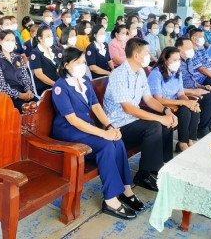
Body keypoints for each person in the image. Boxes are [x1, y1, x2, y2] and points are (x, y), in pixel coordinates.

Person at [52, 47, 145, 220]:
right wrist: (103, 134)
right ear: (66, 65)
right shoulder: (60, 87)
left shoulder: (85, 81)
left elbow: (95, 106)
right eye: (78, 63)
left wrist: (109, 126)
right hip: (68, 133)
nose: (82, 66)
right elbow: (72, 120)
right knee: (106, 144)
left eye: (84, 62)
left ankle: (125, 189)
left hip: (86, 128)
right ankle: (110, 200)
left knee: (117, 140)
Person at [104, 38, 177, 191]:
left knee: (166, 123)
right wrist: (159, 118)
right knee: (154, 127)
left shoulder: (140, 73)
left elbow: (148, 98)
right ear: (136, 56)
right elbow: (128, 109)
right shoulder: (119, 74)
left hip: (133, 119)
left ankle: (159, 168)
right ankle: (144, 175)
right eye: (146, 53)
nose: (149, 56)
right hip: (118, 124)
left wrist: (166, 111)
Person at [148, 47, 200, 152]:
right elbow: (158, 99)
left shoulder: (177, 72)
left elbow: (180, 93)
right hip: (161, 105)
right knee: (185, 111)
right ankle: (182, 143)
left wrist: (190, 102)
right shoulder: (156, 73)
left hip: (175, 102)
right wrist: (184, 102)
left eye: (178, 59)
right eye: (174, 60)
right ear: (165, 59)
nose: (177, 62)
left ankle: (189, 140)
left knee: (194, 109)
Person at [176, 37, 211, 138]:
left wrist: (202, 86)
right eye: (188, 47)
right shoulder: (175, 63)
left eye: (191, 47)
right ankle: (202, 129)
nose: (192, 49)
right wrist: (194, 91)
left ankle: (209, 124)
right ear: (179, 50)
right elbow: (176, 86)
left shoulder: (189, 61)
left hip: (194, 87)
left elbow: (192, 80)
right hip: (183, 92)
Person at [0, 30, 36, 112]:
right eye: (7, 40)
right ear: (0, 41)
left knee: (39, 106)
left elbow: (25, 76)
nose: (10, 43)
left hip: (24, 92)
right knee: (25, 110)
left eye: (13, 40)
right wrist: (19, 95)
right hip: (8, 96)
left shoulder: (18, 57)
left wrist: (28, 90)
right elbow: (0, 86)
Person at [29, 27, 61, 95]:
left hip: (57, 84)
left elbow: (58, 67)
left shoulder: (53, 50)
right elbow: (39, 75)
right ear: (40, 38)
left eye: (51, 36)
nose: (50, 38)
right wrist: (55, 84)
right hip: (45, 87)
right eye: (48, 36)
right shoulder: (35, 53)